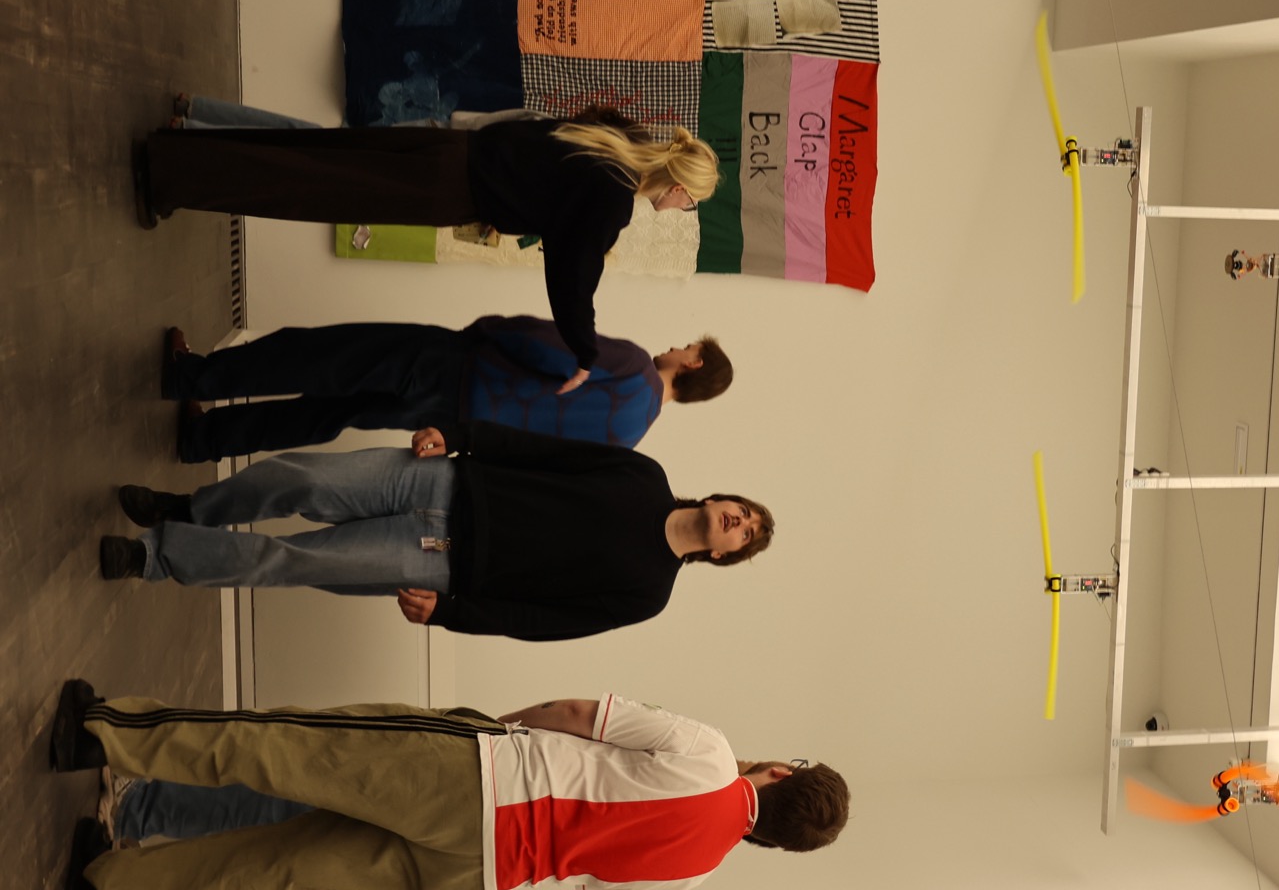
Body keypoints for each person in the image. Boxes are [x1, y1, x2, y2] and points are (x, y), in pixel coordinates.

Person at [49, 679, 850, 890]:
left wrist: (493, 730)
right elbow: (594, 879)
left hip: (474, 784)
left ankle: (101, 735)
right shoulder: (694, 876)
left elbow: (581, 716)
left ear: (781, 774)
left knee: (279, 746)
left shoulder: (712, 757)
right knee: (278, 870)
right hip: (477, 877)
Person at [134, 111, 721, 387]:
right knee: (304, 184)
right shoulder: (614, 197)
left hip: (445, 150)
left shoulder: (614, 137)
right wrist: (585, 350)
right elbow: (573, 276)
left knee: (311, 155)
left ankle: (176, 154)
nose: (680, 211)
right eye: (689, 203)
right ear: (676, 189)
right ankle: (168, 175)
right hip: (445, 190)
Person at [97, 420, 774, 640]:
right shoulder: (643, 475)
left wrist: (453, 614)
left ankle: (156, 556)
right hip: (442, 481)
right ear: (720, 498)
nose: (737, 522)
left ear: (720, 554)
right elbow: (546, 449)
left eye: (743, 534)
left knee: (285, 560)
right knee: (296, 477)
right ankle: (187, 509)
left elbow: (539, 621)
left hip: (439, 561)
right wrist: (461, 432)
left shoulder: (648, 593)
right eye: (742, 511)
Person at [163, 319, 732, 462]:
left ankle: (194, 377)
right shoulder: (628, 439)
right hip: (455, 420)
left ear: (694, 361)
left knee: (319, 358)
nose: (676, 348)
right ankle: (203, 440)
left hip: (457, 368)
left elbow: (548, 345)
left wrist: (485, 330)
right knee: (328, 413)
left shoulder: (633, 365)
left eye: (686, 347)